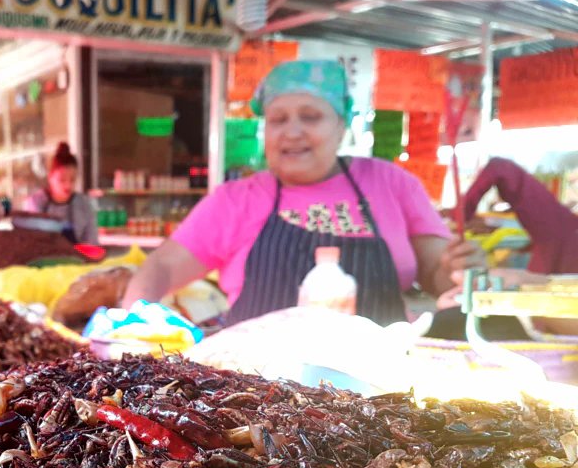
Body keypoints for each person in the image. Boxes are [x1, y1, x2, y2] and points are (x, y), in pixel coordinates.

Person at [123, 60, 481, 327]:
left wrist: (456, 269)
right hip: (250, 393)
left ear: (342, 126)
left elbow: (438, 273)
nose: (291, 132)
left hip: (380, 395)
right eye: (278, 119)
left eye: (310, 117)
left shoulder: (392, 183)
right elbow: (161, 269)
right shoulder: (234, 199)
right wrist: (131, 327)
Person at [24, 142, 98, 244]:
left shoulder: (84, 204)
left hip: (78, 258)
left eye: (72, 180)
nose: (68, 185)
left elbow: (92, 242)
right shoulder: (36, 203)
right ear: (50, 177)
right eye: (62, 180)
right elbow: (31, 241)